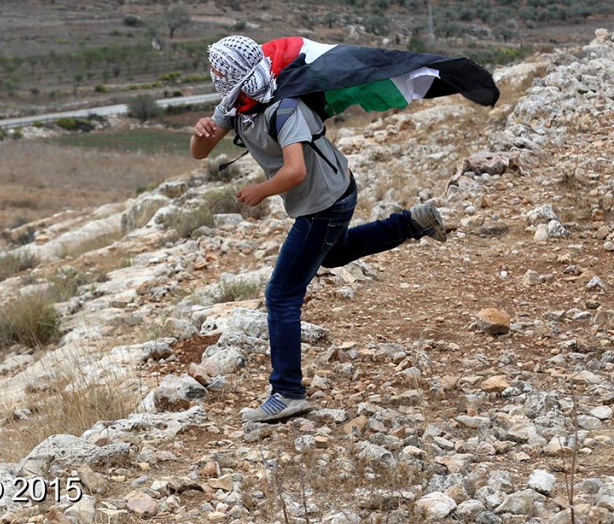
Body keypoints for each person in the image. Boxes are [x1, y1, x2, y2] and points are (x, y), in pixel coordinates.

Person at [190, 35, 448, 423]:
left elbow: (296, 170)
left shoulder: (284, 106)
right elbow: (199, 153)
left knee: (281, 294)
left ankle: (287, 392)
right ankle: (414, 222)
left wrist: (260, 191)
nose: (215, 76)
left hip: (325, 203)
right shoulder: (239, 102)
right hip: (329, 195)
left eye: (219, 70)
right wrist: (201, 134)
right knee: (337, 252)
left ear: (237, 71)